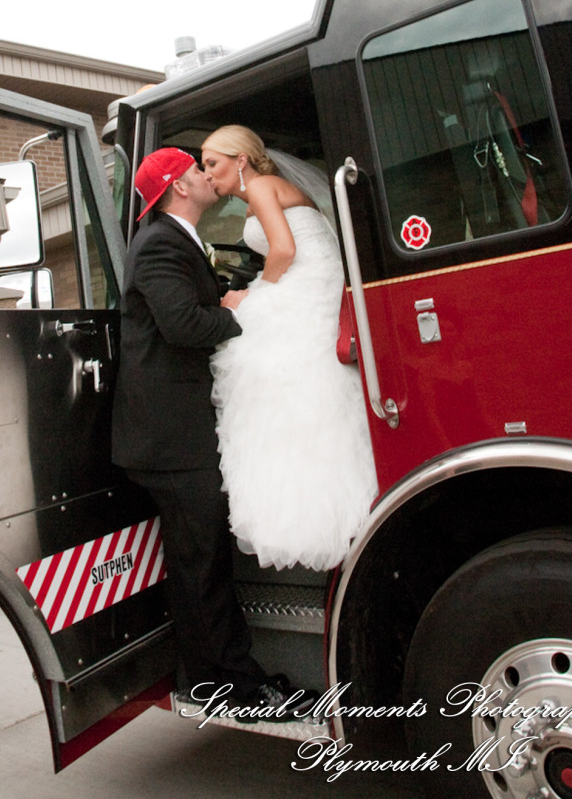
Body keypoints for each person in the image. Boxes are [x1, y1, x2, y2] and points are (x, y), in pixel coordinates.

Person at [111, 146, 313, 719]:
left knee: (198, 564)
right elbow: (184, 324)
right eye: (197, 170)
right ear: (179, 186)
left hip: (175, 435)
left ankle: (212, 681)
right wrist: (244, 308)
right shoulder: (158, 244)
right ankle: (235, 687)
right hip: (170, 439)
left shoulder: (176, 240)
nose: (205, 175)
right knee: (204, 567)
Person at [200, 125, 378, 572]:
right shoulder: (267, 188)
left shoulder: (259, 186)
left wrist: (251, 296)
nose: (207, 175)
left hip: (306, 282)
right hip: (315, 282)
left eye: (212, 164)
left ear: (241, 160)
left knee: (262, 369)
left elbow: (282, 249)